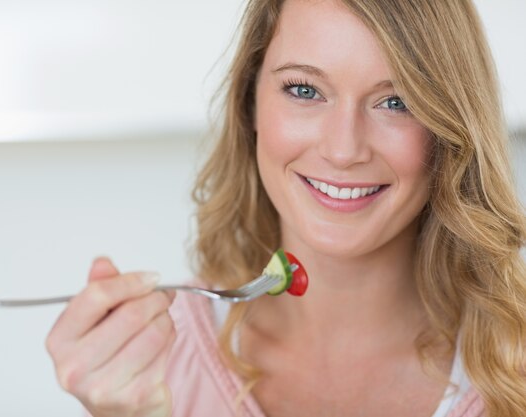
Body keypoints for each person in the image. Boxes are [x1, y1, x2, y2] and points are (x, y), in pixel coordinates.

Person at [45, 0, 526, 416]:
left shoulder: (515, 366)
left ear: (450, 131)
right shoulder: (153, 364)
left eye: (396, 101)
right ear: (249, 104)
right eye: (304, 90)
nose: (343, 150)